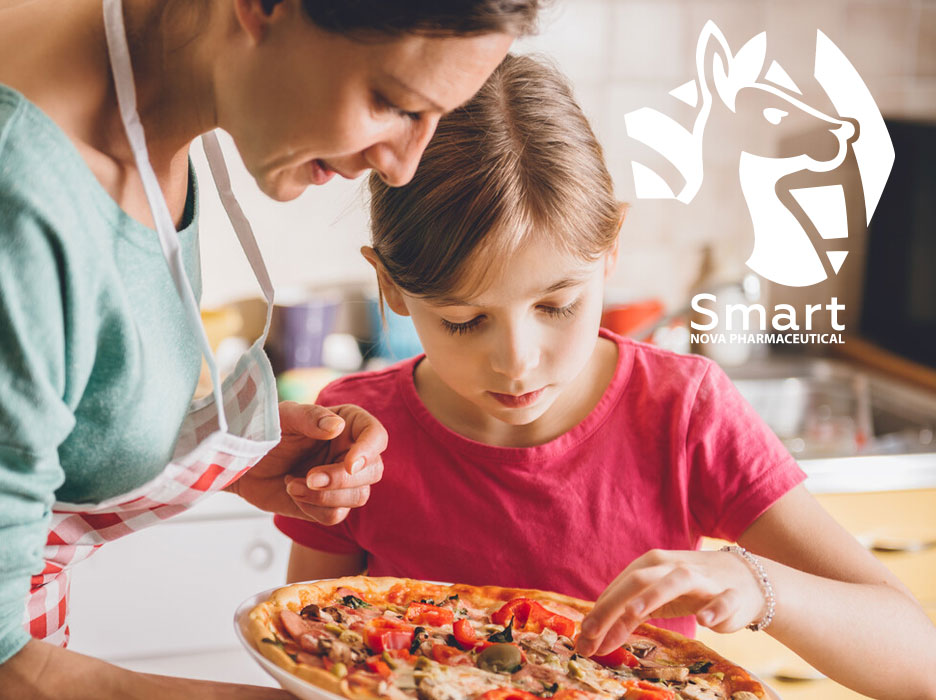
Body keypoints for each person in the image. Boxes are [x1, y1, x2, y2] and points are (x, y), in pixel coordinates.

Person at [0, 0, 544, 698]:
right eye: (393, 102)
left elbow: (10, 395)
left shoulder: (127, 74)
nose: (402, 167)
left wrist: (233, 463)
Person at [276, 54, 936, 699]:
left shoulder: (683, 414)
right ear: (390, 285)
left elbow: (919, 663)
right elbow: (298, 646)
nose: (517, 360)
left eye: (556, 305)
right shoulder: (360, 436)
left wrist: (754, 583)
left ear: (611, 246)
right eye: (463, 320)